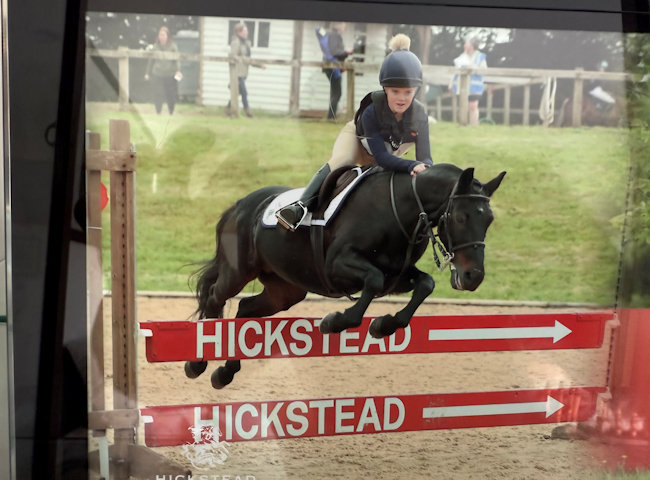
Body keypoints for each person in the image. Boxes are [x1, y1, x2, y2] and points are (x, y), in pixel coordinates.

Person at [276, 34, 433, 231]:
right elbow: (382, 158)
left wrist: (424, 169)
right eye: (395, 91)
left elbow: (425, 159)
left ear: (416, 90)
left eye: (408, 92)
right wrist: (413, 165)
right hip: (358, 141)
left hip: (390, 150)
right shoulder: (372, 111)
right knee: (343, 160)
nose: (401, 98)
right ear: (385, 88)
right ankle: (300, 207)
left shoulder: (420, 116)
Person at [226, 22, 263, 118]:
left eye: (246, 31)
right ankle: (248, 112)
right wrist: (239, 59)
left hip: (244, 72)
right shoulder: (236, 42)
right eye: (244, 31)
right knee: (244, 92)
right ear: (239, 32)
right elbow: (232, 55)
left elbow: (248, 58)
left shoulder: (246, 43)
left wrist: (258, 65)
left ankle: (228, 109)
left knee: (237, 92)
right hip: (237, 72)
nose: (247, 33)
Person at [144, 26, 183, 115]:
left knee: (170, 94)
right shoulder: (155, 46)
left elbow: (177, 60)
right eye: (160, 35)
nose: (161, 37)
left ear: (167, 36)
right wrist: (147, 73)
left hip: (170, 74)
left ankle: (171, 111)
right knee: (158, 93)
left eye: (163, 35)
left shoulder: (173, 46)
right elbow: (151, 60)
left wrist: (178, 70)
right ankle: (158, 111)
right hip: (157, 73)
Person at [449, 36, 486, 126]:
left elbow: (484, 70)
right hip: (461, 86)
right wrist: (450, 85)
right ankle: (463, 125)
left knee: (473, 106)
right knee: (463, 106)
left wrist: (473, 68)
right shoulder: (462, 56)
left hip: (474, 87)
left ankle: (473, 126)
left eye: (466, 43)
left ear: (471, 46)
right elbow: (455, 72)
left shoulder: (480, 56)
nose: (464, 45)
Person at [322, 22, 354, 120]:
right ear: (338, 25)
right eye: (343, 24)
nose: (344, 26)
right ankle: (331, 117)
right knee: (337, 93)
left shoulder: (332, 34)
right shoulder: (334, 35)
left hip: (332, 67)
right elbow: (335, 52)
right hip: (332, 67)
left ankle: (331, 116)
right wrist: (347, 52)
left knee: (334, 92)